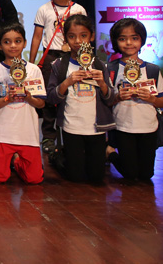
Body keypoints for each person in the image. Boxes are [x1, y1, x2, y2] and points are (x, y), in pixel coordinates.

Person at [47, 15, 116, 183]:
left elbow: (111, 99)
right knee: (75, 177)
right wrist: (67, 82)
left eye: (83, 35)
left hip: (97, 128)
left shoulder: (100, 65)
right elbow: (51, 97)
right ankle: (57, 156)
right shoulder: (59, 65)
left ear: (92, 36)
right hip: (71, 127)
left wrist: (102, 83)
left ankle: (104, 153)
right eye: (72, 36)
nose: (78, 41)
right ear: (65, 38)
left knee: (96, 177)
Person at [28, 0, 87, 154]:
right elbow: (37, 37)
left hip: (74, 56)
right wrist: (31, 63)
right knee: (50, 97)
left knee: (72, 94)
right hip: (51, 56)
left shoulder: (78, 9)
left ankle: (72, 132)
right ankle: (48, 136)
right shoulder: (44, 9)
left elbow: (84, 35)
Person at [106, 18, 163, 180]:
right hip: (123, 126)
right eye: (122, 39)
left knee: (146, 175)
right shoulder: (110, 69)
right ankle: (110, 153)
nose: (129, 43)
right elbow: (105, 101)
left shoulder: (152, 70)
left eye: (134, 38)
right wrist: (117, 97)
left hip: (148, 127)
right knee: (130, 175)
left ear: (142, 40)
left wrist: (151, 99)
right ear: (115, 41)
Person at [0, 22, 46, 184]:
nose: (13, 45)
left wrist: (28, 97)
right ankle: (5, 162)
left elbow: (41, 104)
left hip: (28, 133)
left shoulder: (33, 70)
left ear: (25, 43)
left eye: (17, 41)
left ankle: (17, 162)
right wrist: (8, 98)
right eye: (7, 42)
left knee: (34, 179)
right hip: (3, 133)